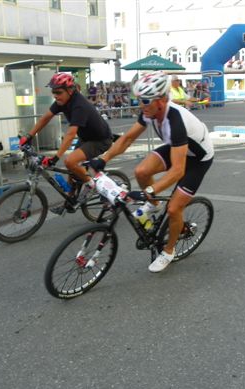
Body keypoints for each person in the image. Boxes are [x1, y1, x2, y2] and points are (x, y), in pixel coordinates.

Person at [89, 71, 214, 273]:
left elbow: (178, 170)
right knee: (141, 171)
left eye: (145, 100)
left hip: (198, 159)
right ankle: (154, 206)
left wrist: (150, 190)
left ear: (162, 100)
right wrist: (104, 158)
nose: (141, 105)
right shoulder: (150, 112)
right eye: (139, 99)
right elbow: (127, 139)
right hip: (177, 147)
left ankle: (168, 251)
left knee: (174, 209)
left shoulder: (176, 121)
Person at [19, 72, 114, 213]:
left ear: (70, 90)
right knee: (72, 170)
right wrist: (29, 136)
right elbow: (45, 118)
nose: (55, 96)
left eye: (58, 92)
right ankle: (70, 200)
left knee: (70, 161)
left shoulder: (79, 105)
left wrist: (56, 157)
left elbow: (70, 134)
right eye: (53, 92)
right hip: (85, 138)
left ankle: (92, 185)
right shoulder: (62, 101)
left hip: (100, 140)